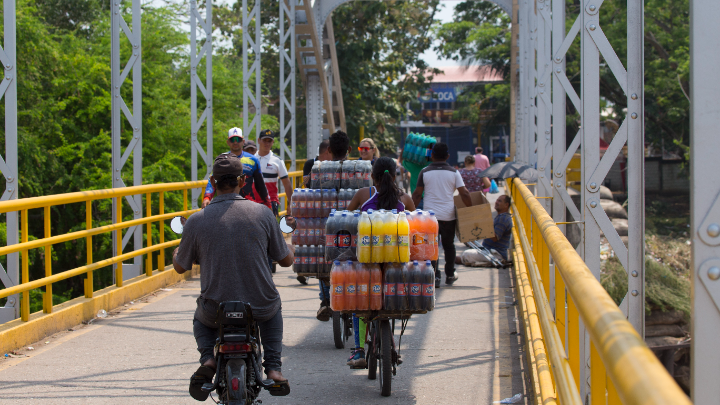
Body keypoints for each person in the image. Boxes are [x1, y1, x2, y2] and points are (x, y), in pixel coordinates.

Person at [173, 154, 294, 401]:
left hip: (216, 308)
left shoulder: (196, 221)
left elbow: (180, 266)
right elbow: (285, 260)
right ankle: (273, 368)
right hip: (259, 305)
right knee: (274, 308)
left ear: (213, 182)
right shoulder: (263, 214)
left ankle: (208, 359)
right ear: (242, 180)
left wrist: (177, 251)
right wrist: (290, 246)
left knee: (200, 318)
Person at [344, 157, 415, 367]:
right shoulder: (405, 199)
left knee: (359, 298)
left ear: (372, 176)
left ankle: (358, 351)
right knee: (390, 296)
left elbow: (347, 223)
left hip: (367, 261)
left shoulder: (362, 195)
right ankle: (391, 344)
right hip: (397, 263)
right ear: (395, 176)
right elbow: (415, 229)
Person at [412, 142, 473, 287]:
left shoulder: (424, 172)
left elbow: (417, 194)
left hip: (429, 218)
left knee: (431, 247)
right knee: (449, 245)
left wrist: (411, 212)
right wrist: (471, 210)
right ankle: (450, 274)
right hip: (448, 216)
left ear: (432, 155)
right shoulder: (454, 172)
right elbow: (464, 193)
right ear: (448, 156)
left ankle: (435, 276)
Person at [315, 130, 352, 322]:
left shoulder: (320, 170)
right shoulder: (358, 170)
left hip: (327, 225)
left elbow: (311, 199)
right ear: (350, 149)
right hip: (353, 226)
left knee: (323, 257)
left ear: (329, 149)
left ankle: (325, 300)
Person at [202, 127, 270, 209]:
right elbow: (212, 179)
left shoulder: (253, 160)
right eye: (232, 140)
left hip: (247, 205)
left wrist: (268, 204)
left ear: (243, 142)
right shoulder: (222, 159)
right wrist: (207, 197)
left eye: (238, 139)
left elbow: (260, 185)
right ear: (228, 142)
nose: (235, 142)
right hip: (225, 205)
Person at [253, 129, 293, 217]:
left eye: (269, 141)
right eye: (264, 140)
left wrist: (290, 203)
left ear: (273, 142)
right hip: (252, 202)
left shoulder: (277, 161)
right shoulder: (251, 159)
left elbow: (287, 183)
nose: (267, 143)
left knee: (269, 230)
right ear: (259, 140)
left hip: (270, 203)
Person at [482, 195, 513, 260]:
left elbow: (495, 238)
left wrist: (485, 225)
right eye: (497, 200)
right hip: (490, 251)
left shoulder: (503, 218)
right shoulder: (501, 216)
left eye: (500, 201)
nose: (496, 202)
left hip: (496, 253)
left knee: (466, 255)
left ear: (506, 205)